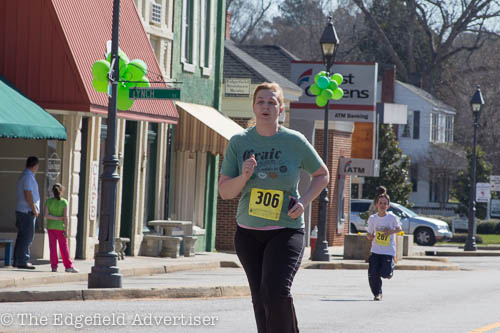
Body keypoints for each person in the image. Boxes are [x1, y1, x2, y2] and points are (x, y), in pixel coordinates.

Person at [218, 82, 329, 332]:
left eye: (271, 102)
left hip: (286, 230)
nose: (266, 106)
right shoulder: (239, 142)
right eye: (260, 102)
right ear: (254, 108)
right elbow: (225, 192)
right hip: (248, 233)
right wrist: (244, 176)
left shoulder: (294, 141)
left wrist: (303, 201)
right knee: (260, 298)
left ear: (281, 109)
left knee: (276, 290)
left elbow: (322, 174)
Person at [366, 193, 402, 301]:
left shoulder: (392, 217)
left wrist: (390, 232)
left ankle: (390, 268)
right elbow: (368, 234)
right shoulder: (373, 218)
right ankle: (377, 293)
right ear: (377, 204)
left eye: (384, 203)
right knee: (373, 274)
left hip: (388, 251)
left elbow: (399, 229)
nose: (382, 205)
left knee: (385, 273)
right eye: (380, 203)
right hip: (376, 250)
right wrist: (370, 236)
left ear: (388, 205)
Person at [44, 183, 79, 273]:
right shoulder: (64, 202)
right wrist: (66, 229)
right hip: (60, 227)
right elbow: (65, 217)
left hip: (50, 227)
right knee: (64, 247)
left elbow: (46, 215)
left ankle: (54, 267)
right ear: (62, 191)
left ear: (53, 191)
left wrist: (55, 218)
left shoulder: (48, 201)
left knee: (52, 247)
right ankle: (68, 266)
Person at [13, 156, 40, 269]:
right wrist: (34, 209)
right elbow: (28, 193)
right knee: (27, 237)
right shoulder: (28, 176)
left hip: (22, 210)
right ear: (35, 166)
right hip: (26, 211)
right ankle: (23, 260)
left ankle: (17, 260)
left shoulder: (24, 175)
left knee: (22, 236)